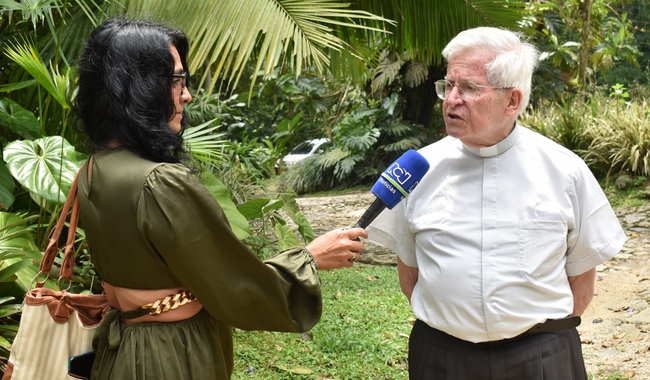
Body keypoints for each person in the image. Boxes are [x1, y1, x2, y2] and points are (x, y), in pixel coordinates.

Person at [74, 18, 367, 380]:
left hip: (119, 351)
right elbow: (237, 290)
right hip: (170, 356)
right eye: (177, 81)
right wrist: (311, 257)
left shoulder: (92, 169)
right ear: (140, 87)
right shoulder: (160, 182)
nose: (186, 95)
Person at [367, 27, 626, 380]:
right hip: (442, 357)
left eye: (470, 88)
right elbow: (409, 273)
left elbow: (582, 277)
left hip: (541, 357)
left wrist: (532, 339)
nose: (452, 99)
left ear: (512, 101)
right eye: (449, 85)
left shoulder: (565, 171)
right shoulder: (417, 171)